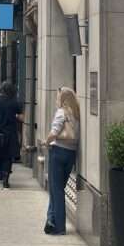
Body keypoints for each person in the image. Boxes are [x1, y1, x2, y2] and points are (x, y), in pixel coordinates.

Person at [45, 87, 80, 234]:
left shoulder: (61, 113)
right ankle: (51, 220)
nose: (56, 99)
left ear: (63, 99)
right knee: (58, 188)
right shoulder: (77, 114)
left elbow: (54, 133)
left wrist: (46, 142)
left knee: (56, 189)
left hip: (58, 152)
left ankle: (59, 226)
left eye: (58, 96)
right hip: (71, 154)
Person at [0, 81, 24, 189]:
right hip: (10, 133)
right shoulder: (15, 103)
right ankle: (6, 179)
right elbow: (22, 118)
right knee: (8, 157)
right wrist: (15, 117)